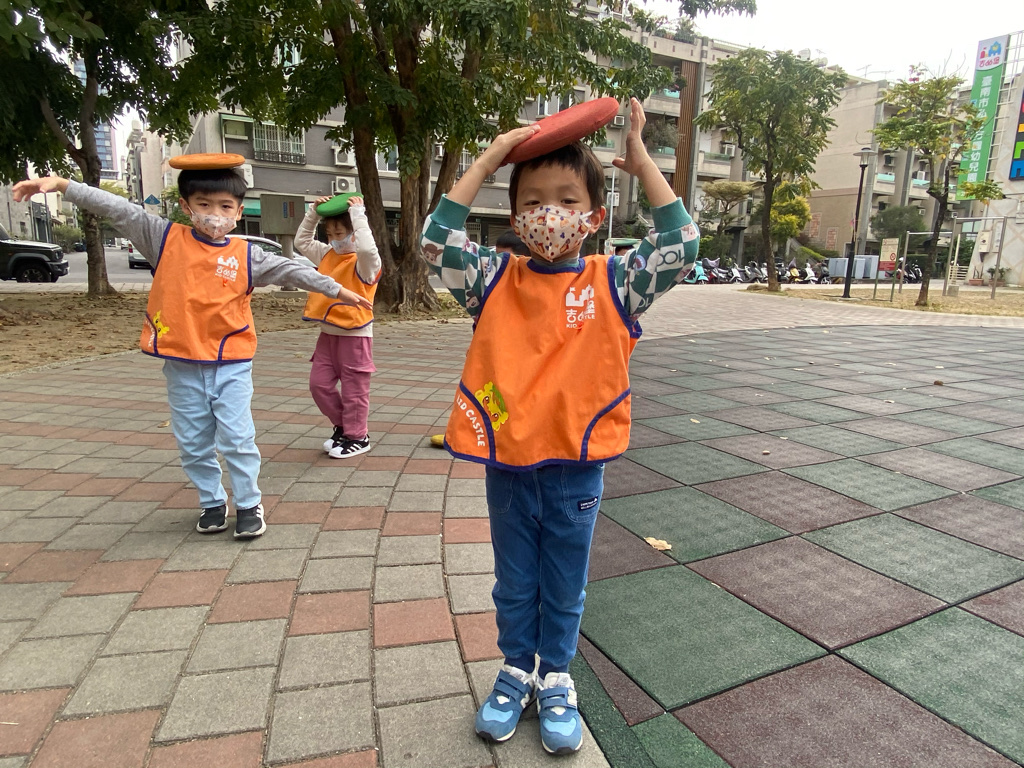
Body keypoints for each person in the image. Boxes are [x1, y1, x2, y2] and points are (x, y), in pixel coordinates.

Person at [420, 97, 699, 755]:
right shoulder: (492, 279)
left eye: (568, 201)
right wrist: (489, 158)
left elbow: (681, 245)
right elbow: (436, 243)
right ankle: (516, 670)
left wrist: (643, 162)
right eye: (534, 201)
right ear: (515, 217)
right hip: (509, 466)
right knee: (514, 581)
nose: (550, 214)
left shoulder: (617, 282)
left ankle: (556, 678)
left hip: (577, 467)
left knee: (565, 583)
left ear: (595, 217)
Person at [12, 161, 372, 539]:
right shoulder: (163, 238)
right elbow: (118, 208)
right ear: (186, 206)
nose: (215, 215)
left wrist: (337, 289)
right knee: (193, 442)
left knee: (237, 439)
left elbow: (292, 270)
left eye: (225, 206)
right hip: (182, 366)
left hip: (231, 364)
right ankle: (211, 501)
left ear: (238, 211)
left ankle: (248, 503)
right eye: (204, 204)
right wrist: (63, 185)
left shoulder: (246, 254)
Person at [295, 193, 381, 458]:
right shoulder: (327, 254)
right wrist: (313, 213)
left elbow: (367, 249)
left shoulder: (366, 263)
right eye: (330, 234)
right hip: (327, 335)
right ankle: (344, 427)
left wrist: (358, 215)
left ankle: (358, 437)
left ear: (354, 233)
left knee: (355, 391)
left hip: (355, 335)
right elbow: (301, 242)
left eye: (340, 233)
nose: (334, 239)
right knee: (319, 385)